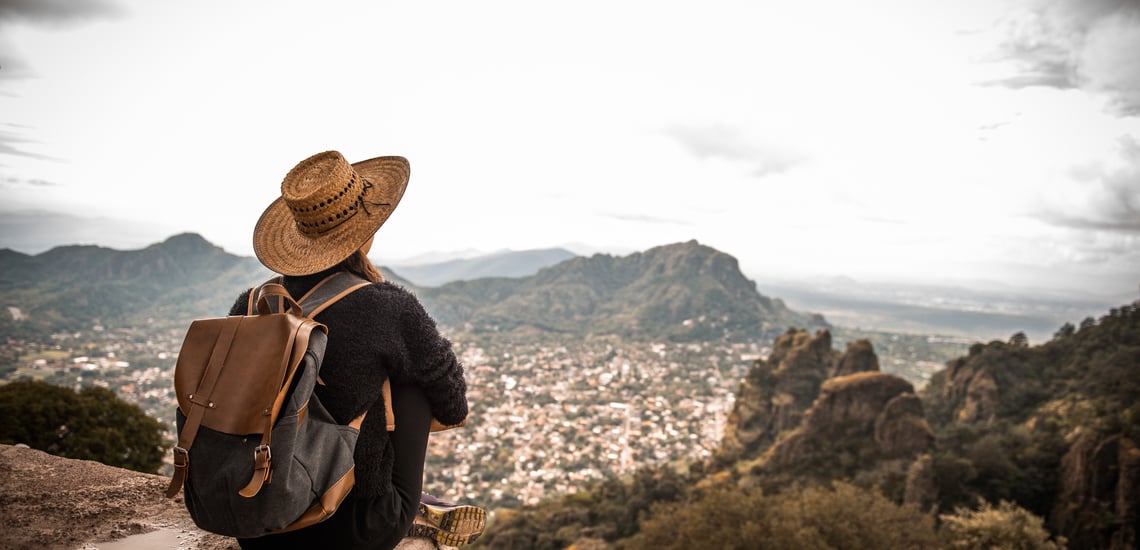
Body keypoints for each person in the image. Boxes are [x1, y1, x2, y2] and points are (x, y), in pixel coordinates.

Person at [233, 150, 483, 549]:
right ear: (366, 231)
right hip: (352, 529)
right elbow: (453, 406)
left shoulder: (252, 305)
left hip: (255, 518)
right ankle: (406, 503)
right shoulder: (387, 307)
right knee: (415, 380)